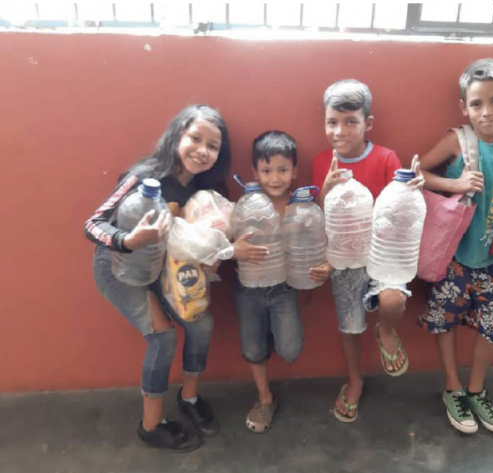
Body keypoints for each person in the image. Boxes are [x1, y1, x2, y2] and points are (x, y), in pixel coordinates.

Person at [85, 105, 268, 451]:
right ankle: (151, 425)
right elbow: (93, 224)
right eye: (195, 138)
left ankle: (190, 398)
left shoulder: (205, 191)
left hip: (163, 266)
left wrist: (218, 255)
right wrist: (128, 240)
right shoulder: (143, 178)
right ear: (176, 137)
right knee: (163, 339)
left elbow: (195, 241)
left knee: (201, 324)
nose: (202, 151)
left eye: (213, 146)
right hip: (119, 268)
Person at [418, 58, 493, 434]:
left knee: (491, 325)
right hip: (452, 259)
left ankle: (476, 390)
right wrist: (454, 184)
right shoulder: (457, 140)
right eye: (476, 104)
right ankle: (452, 388)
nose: (487, 112)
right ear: (464, 107)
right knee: (445, 319)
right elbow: (418, 171)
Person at [310, 79, 422, 423]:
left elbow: (398, 207)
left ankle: (386, 330)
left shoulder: (386, 158)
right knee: (350, 326)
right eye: (332, 122)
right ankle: (354, 380)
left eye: (350, 122)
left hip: (383, 253)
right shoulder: (323, 162)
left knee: (393, 299)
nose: (339, 131)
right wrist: (324, 190)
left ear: (367, 123)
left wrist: (413, 187)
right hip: (345, 259)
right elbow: (320, 218)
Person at [233, 131, 304, 433]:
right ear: (255, 172)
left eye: (282, 170)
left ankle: (273, 332)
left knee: (290, 350)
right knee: (253, 349)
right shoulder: (245, 205)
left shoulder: (301, 205)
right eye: (266, 170)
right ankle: (265, 398)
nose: (274, 178)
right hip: (248, 287)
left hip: (283, 288)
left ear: (294, 171)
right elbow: (227, 238)